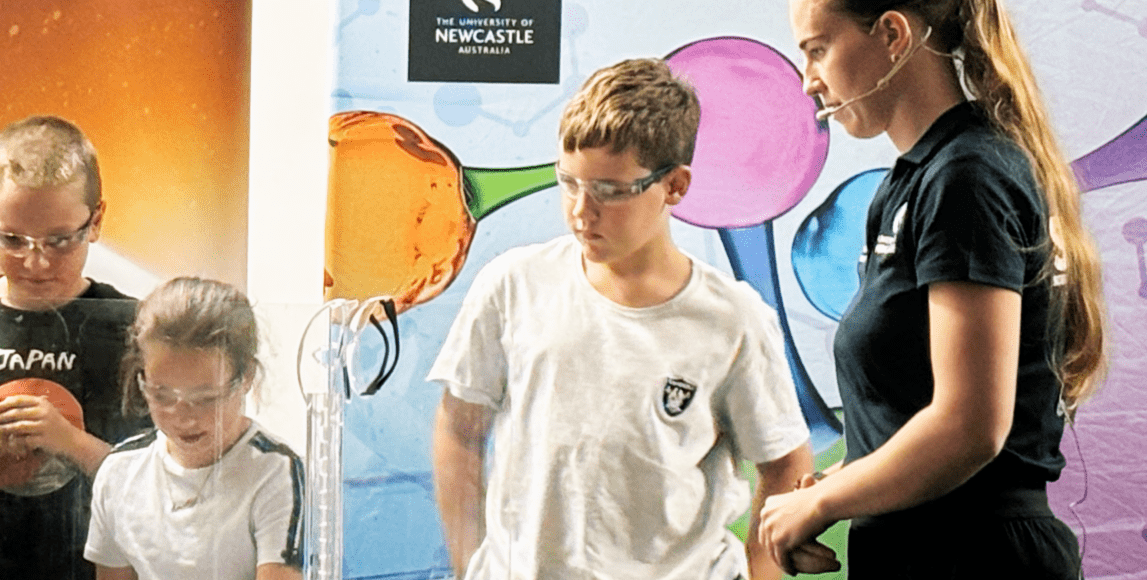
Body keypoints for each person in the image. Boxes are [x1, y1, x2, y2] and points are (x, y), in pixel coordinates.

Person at [428, 58, 816, 580]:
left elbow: (785, 463)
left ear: (675, 186)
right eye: (569, 183)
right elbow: (459, 428)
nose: (581, 212)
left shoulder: (734, 318)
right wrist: (468, 564)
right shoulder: (511, 285)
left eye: (609, 190)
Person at [761, 1, 1109, 577]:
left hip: (975, 556)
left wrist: (821, 502)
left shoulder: (968, 176)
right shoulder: (911, 185)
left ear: (893, 34)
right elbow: (907, 420)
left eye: (817, 50)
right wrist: (825, 494)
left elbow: (969, 426)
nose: (808, 81)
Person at [0, 116, 147, 580]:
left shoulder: (136, 329)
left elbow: (170, 489)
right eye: (12, 239)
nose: (36, 261)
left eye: (60, 240)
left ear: (97, 221)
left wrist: (71, 443)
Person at [85, 276, 304, 580]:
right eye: (161, 395)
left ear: (246, 377)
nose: (183, 417)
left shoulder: (275, 471)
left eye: (205, 398)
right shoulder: (119, 471)